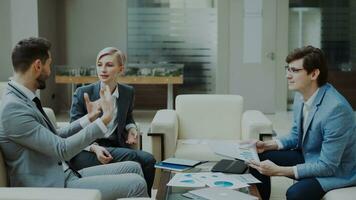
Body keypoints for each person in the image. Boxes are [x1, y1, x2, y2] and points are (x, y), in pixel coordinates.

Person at [0, 37, 148, 200]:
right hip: (51, 184)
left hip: (64, 172)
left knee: (134, 168)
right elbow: (61, 149)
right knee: (136, 184)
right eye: (49, 64)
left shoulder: (24, 98)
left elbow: (55, 135)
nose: (50, 71)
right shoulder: (13, 107)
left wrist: (89, 118)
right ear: (37, 66)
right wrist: (103, 120)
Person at [248, 46, 356, 200]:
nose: (287, 75)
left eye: (294, 70)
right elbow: (296, 135)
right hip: (310, 155)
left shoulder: (336, 110)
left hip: (337, 171)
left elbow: (328, 166)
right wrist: (267, 144)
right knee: (258, 158)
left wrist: (279, 170)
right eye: (287, 69)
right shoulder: (301, 96)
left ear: (314, 74)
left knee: (296, 194)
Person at [69, 47, 156, 196]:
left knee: (145, 161)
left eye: (109, 65)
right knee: (147, 160)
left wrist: (131, 128)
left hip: (115, 146)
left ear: (121, 69)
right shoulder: (83, 93)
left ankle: (141, 196)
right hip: (87, 150)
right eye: (99, 64)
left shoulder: (127, 92)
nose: (103, 69)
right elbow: (74, 130)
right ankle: (142, 197)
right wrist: (94, 148)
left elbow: (128, 116)